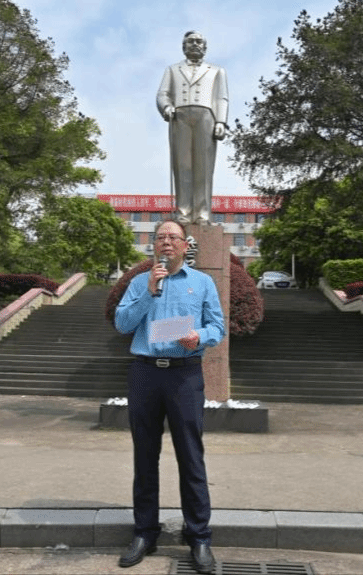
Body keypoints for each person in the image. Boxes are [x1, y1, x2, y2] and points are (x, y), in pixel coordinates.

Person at [113, 219, 226, 573]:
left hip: (184, 375)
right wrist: (149, 291)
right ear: (154, 244)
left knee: (191, 456)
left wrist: (199, 337)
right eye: (160, 237)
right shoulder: (139, 282)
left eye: (173, 237)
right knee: (145, 456)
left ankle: (199, 537)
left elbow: (217, 326)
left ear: (184, 245)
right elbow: (122, 324)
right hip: (145, 373)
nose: (166, 242)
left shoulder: (202, 282)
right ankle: (145, 532)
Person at [156, 31, 229, 224]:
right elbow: (162, 94)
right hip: (179, 117)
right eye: (190, 41)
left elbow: (221, 98)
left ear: (205, 47)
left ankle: (202, 214)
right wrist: (166, 107)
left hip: (206, 116)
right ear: (184, 46)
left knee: (204, 167)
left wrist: (221, 122)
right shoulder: (172, 69)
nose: (195, 44)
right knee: (182, 166)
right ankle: (183, 213)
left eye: (199, 41)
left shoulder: (217, 71)